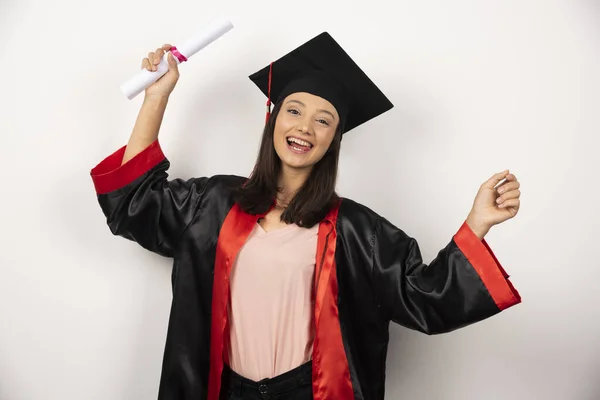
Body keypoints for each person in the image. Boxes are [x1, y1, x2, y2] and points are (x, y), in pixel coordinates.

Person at [90, 32, 522, 400]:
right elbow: (133, 202)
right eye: (294, 110)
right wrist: (157, 95)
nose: (304, 128)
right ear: (274, 118)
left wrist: (476, 224)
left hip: (307, 391)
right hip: (219, 388)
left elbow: (428, 299)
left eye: (323, 120)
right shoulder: (213, 202)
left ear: (333, 139)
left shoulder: (359, 231)